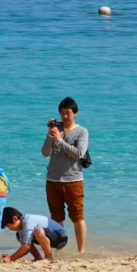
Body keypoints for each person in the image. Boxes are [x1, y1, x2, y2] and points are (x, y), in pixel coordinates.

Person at [41, 96, 89, 253]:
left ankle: (81, 250)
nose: (65, 116)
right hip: (52, 179)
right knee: (56, 217)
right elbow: (45, 153)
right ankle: (59, 249)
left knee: (77, 216)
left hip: (73, 180)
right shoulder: (56, 131)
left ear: (75, 113)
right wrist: (50, 135)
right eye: (62, 113)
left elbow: (79, 153)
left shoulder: (81, 132)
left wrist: (60, 141)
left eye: (68, 113)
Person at [0, 206, 67, 262]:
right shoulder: (21, 228)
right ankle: (38, 258)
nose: (10, 229)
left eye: (8, 226)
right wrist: (12, 258)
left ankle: (48, 257)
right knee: (19, 237)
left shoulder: (28, 221)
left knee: (38, 231)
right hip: (50, 237)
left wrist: (11, 258)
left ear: (15, 219)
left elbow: (27, 246)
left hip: (61, 237)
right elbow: (26, 248)